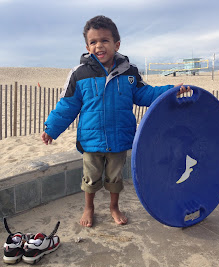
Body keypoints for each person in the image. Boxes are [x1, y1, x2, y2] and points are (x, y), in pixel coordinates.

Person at [41, 15, 190, 227]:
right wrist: (51, 129)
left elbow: (145, 94)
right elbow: (67, 106)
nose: (99, 46)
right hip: (91, 140)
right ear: (87, 46)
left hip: (120, 138)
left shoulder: (129, 71)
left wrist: (171, 91)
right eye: (93, 42)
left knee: (115, 179)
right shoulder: (79, 74)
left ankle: (114, 207)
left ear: (116, 44)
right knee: (91, 179)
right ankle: (89, 207)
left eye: (104, 40)